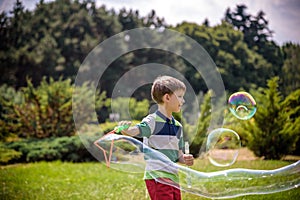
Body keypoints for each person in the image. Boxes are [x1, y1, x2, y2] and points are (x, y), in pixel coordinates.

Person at [118, 75, 194, 200]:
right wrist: (127, 130)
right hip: (157, 176)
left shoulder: (178, 126)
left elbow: (178, 154)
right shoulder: (152, 121)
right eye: (180, 96)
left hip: (173, 177)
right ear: (167, 97)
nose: (183, 101)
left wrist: (185, 159)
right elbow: (136, 130)